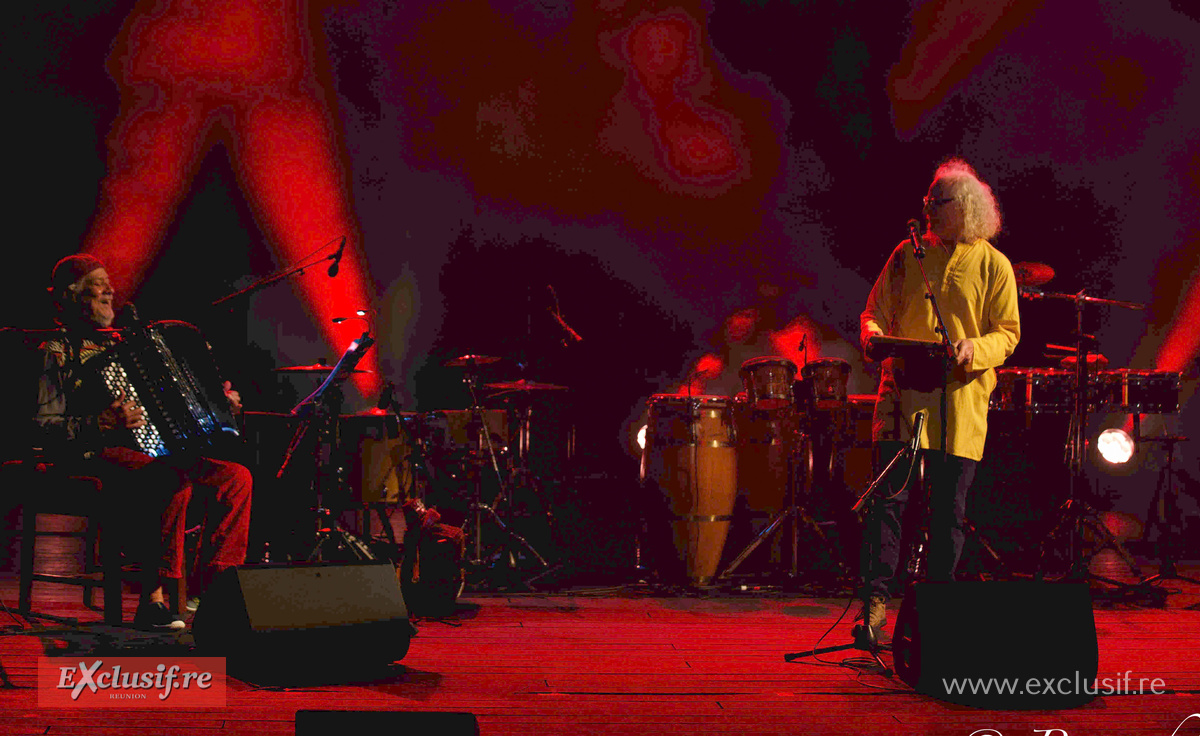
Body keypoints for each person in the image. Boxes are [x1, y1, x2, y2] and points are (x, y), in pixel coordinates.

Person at [33, 254, 252, 631]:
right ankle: (155, 599)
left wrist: (219, 404)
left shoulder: (130, 343)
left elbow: (176, 401)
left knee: (235, 479)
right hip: (88, 454)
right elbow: (42, 427)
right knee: (169, 481)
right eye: (97, 284)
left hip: (153, 453)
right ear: (72, 295)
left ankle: (216, 591)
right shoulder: (54, 351)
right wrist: (100, 421)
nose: (110, 290)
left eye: (108, 283)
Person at [857, 159, 1020, 643]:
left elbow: (1008, 333)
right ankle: (874, 605)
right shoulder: (906, 256)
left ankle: (937, 609)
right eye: (927, 199)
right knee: (887, 503)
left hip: (959, 404)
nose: (926, 207)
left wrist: (975, 348)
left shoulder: (994, 265)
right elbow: (874, 312)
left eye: (937, 200)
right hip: (902, 400)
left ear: (965, 208)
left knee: (947, 512)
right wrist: (874, 336)